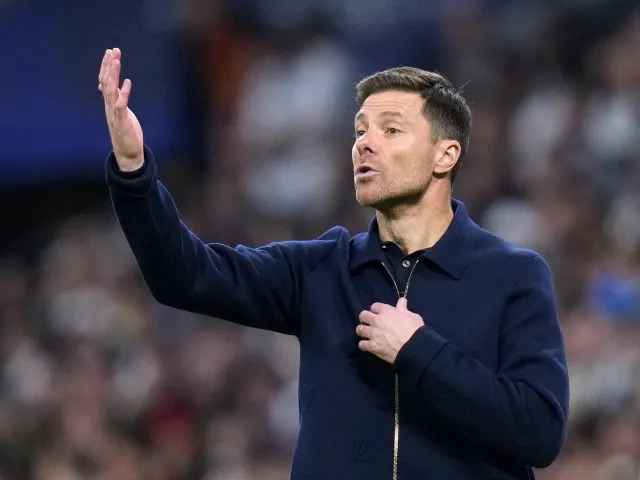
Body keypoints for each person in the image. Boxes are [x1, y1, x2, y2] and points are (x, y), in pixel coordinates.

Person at [98, 47, 569, 479]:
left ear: (444, 156)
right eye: (360, 131)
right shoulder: (321, 269)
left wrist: (419, 351)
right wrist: (134, 169)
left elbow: (539, 431)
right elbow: (185, 275)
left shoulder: (513, 275)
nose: (365, 143)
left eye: (391, 130)